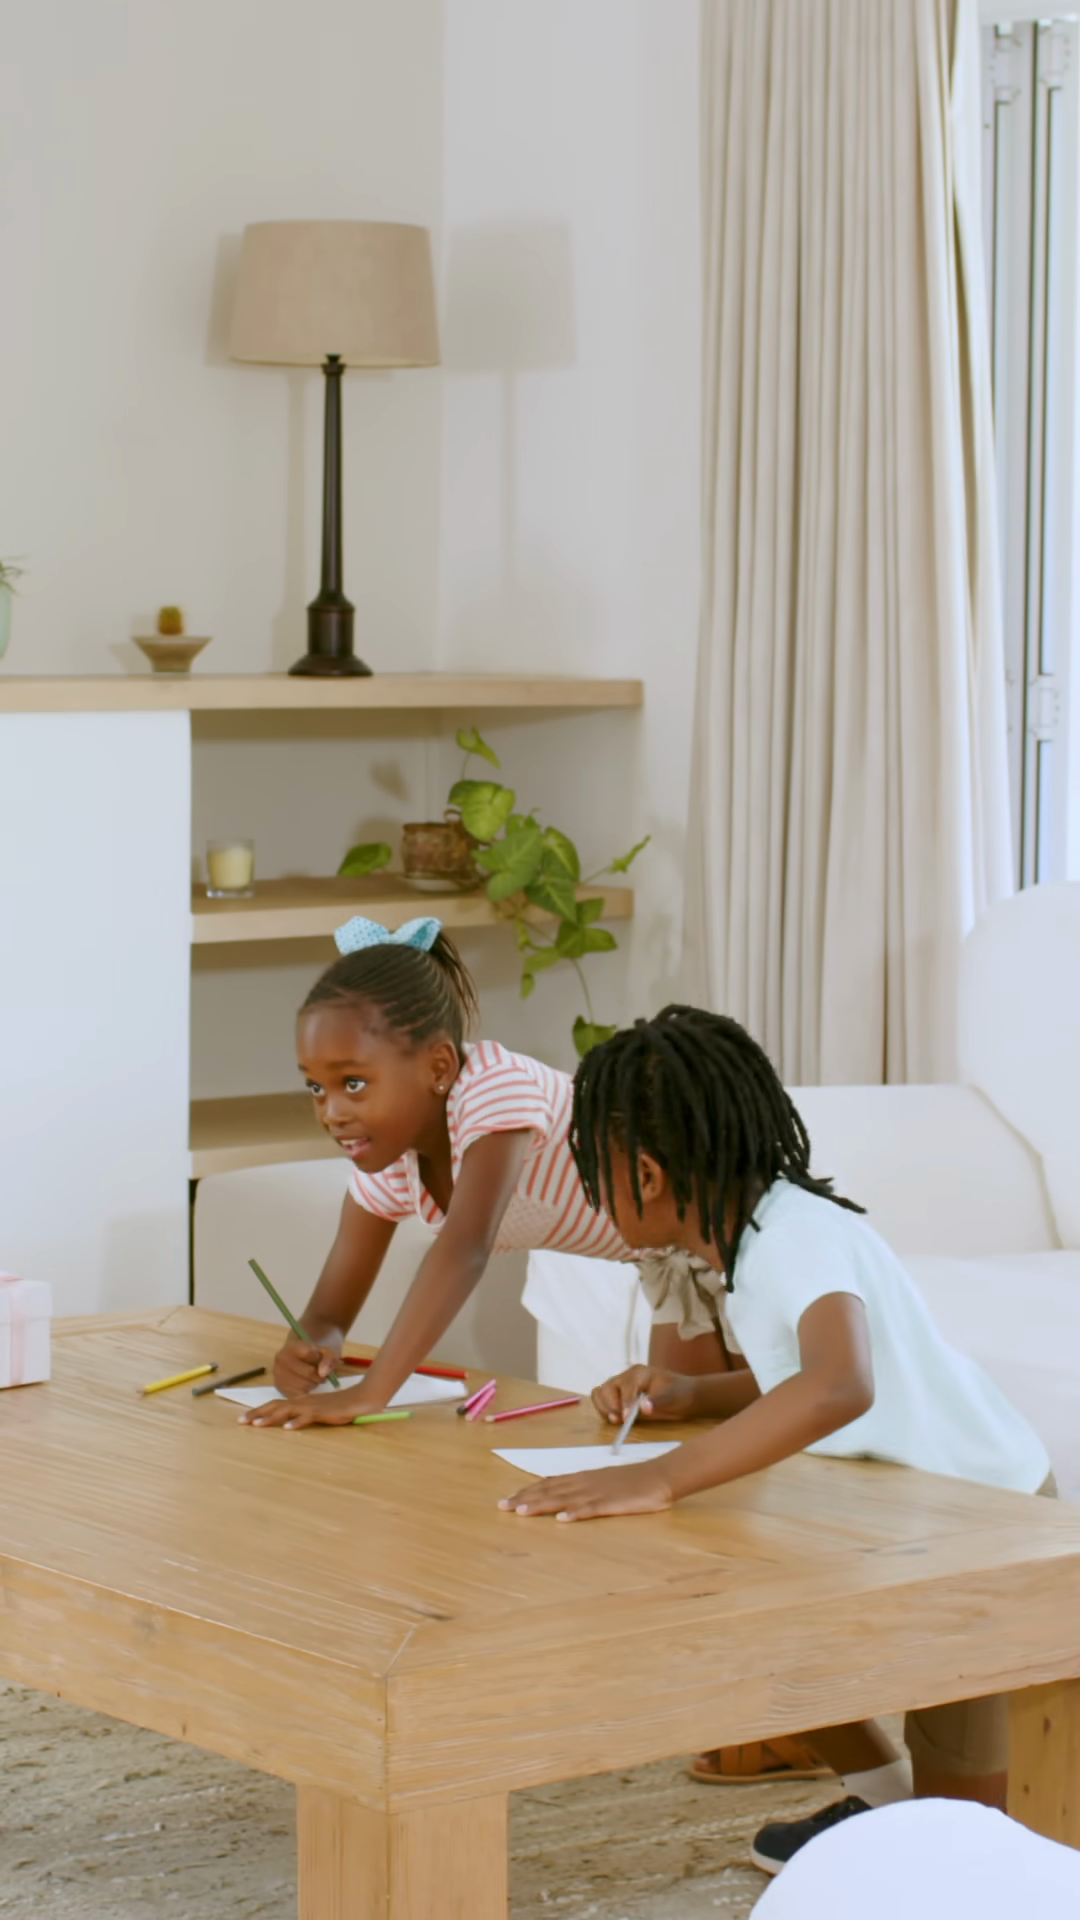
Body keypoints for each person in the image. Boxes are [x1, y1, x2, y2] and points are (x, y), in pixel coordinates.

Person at [498, 1005, 1054, 1873]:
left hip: (983, 1516)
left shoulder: (790, 1236)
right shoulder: (758, 1233)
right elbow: (805, 1374)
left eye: (593, 1176)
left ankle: (944, 1845)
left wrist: (661, 1476)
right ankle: (888, 1806)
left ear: (645, 1175)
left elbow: (842, 1383)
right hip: (905, 1504)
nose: (594, 1198)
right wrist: (695, 1393)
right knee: (758, 1624)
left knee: (967, 1831)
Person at [239, 912, 630, 1431]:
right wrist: (311, 1346)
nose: (331, 1113)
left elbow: (465, 1251)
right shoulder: (392, 1155)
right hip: (667, 1261)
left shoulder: (495, 1089)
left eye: (353, 1084)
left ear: (439, 1067)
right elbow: (328, 1314)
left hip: (715, 1218)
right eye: (316, 1087)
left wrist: (371, 1393)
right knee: (680, 1432)